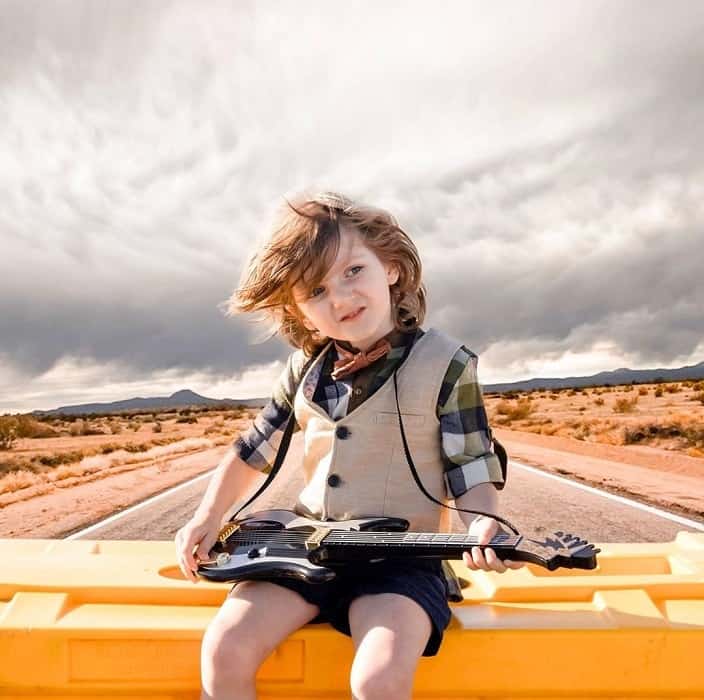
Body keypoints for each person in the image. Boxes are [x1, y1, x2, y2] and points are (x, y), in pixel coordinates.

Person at [175, 191, 524, 700]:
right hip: (305, 551)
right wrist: (205, 518)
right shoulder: (304, 369)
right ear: (298, 310)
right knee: (225, 648)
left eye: (353, 271)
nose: (339, 299)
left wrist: (482, 524)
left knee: (377, 679)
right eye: (315, 290)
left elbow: (470, 460)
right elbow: (254, 447)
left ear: (391, 267)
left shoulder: (447, 363)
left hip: (400, 563)